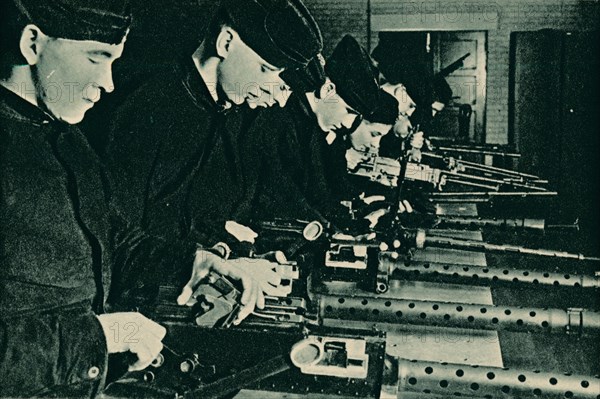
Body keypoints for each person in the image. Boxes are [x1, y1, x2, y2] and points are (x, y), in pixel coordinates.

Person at [0, 1, 274, 396]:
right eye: (98, 58)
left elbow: (114, 243)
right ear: (31, 44)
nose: (108, 83)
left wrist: (193, 263)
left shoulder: (70, 141)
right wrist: (98, 336)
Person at [106, 0, 323, 257]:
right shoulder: (150, 103)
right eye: (267, 70)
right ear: (226, 43)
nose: (275, 92)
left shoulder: (227, 113)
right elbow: (121, 231)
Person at [249, 35, 402, 229]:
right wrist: (334, 227)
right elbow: (280, 191)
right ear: (328, 89)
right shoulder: (281, 115)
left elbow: (319, 193)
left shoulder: (312, 124)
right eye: (349, 112)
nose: (347, 124)